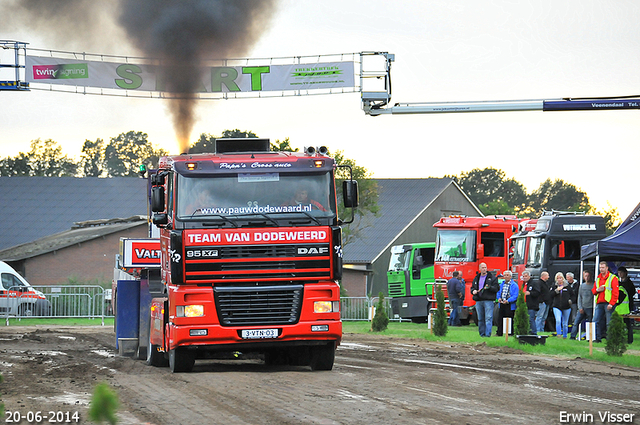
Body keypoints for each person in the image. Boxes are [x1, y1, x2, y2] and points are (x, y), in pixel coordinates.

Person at [592, 261, 619, 343]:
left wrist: (611, 303)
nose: (601, 269)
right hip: (600, 302)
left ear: (607, 268)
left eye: (603, 267)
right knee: (595, 321)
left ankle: (610, 339)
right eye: (600, 267)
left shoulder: (613, 278)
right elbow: (593, 291)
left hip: (608, 303)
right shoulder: (598, 278)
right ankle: (596, 338)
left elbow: (615, 292)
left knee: (609, 322)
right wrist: (597, 290)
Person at [471, 263, 499, 337]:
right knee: (480, 318)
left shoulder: (492, 278)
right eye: (482, 267)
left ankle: (488, 334)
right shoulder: (476, 278)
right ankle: (482, 334)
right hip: (478, 300)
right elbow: (472, 287)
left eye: (485, 267)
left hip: (488, 300)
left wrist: (489, 287)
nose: (484, 269)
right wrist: (473, 291)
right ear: (479, 269)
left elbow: (496, 288)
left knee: (488, 318)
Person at [570, 270, 595, 340]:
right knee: (576, 322)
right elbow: (579, 297)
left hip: (590, 308)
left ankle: (590, 337)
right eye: (586, 276)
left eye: (588, 276)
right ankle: (572, 336)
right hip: (582, 308)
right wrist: (580, 307)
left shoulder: (593, 285)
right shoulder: (582, 286)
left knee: (590, 323)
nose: (587, 277)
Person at [495, 270, 519, 336]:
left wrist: (508, 300)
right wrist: (499, 298)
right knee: (500, 319)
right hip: (502, 304)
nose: (506, 276)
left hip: (510, 305)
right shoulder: (501, 284)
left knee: (510, 319)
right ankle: (499, 333)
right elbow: (498, 292)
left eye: (507, 275)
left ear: (511, 276)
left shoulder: (514, 285)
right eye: (505, 275)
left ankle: (510, 333)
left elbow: (515, 295)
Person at [551, 272, 573, 339]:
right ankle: (559, 334)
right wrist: (556, 290)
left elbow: (573, 295)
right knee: (558, 320)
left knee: (565, 323)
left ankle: (565, 336)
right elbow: (550, 295)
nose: (559, 279)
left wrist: (570, 301)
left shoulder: (567, 286)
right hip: (556, 306)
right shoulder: (554, 286)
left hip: (566, 307)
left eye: (560, 278)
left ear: (563, 278)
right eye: (558, 278)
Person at [617, 266, 635, 344]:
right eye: (618, 273)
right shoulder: (618, 282)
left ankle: (629, 339)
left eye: (621, 272)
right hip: (619, 307)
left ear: (625, 273)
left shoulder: (629, 283)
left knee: (627, 323)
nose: (620, 274)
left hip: (627, 306)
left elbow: (632, 292)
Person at [522, 271, 541, 335]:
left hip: (532, 304)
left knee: (531, 318)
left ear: (529, 276)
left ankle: (534, 332)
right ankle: (528, 331)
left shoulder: (534, 283)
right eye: (523, 276)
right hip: (525, 304)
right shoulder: (524, 284)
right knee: (526, 319)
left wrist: (530, 293)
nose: (524, 277)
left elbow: (538, 292)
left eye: (526, 276)